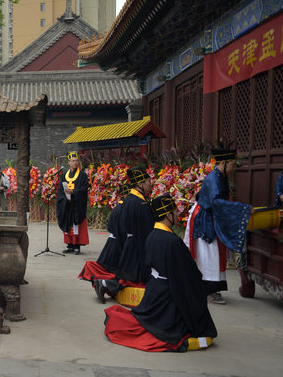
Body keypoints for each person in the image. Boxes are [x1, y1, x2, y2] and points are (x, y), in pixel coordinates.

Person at [104, 196, 217, 352]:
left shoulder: (152, 234)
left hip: (154, 289)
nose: (178, 215)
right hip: (167, 294)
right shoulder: (171, 241)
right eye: (175, 212)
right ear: (168, 214)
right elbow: (185, 275)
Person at [184, 148, 252, 305]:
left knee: (214, 254)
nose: (233, 169)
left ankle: (211, 289)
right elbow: (217, 202)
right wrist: (243, 209)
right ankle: (208, 290)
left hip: (211, 215)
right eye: (232, 165)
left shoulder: (220, 176)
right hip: (205, 218)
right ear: (223, 163)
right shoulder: (214, 179)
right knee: (209, 255)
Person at [56, 151, 89, 255]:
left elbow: (84, 189)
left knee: (76, 224)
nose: (75, 163)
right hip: (67, 203)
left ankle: (77, 245)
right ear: (69, 163)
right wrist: (65, 198)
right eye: (72, 161)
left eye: (76, 161)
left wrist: (74, 192)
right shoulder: (64, 175)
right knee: (67, 223)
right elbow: (61, 189)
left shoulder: (82, 175)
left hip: (77, 204)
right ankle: (69, 245)